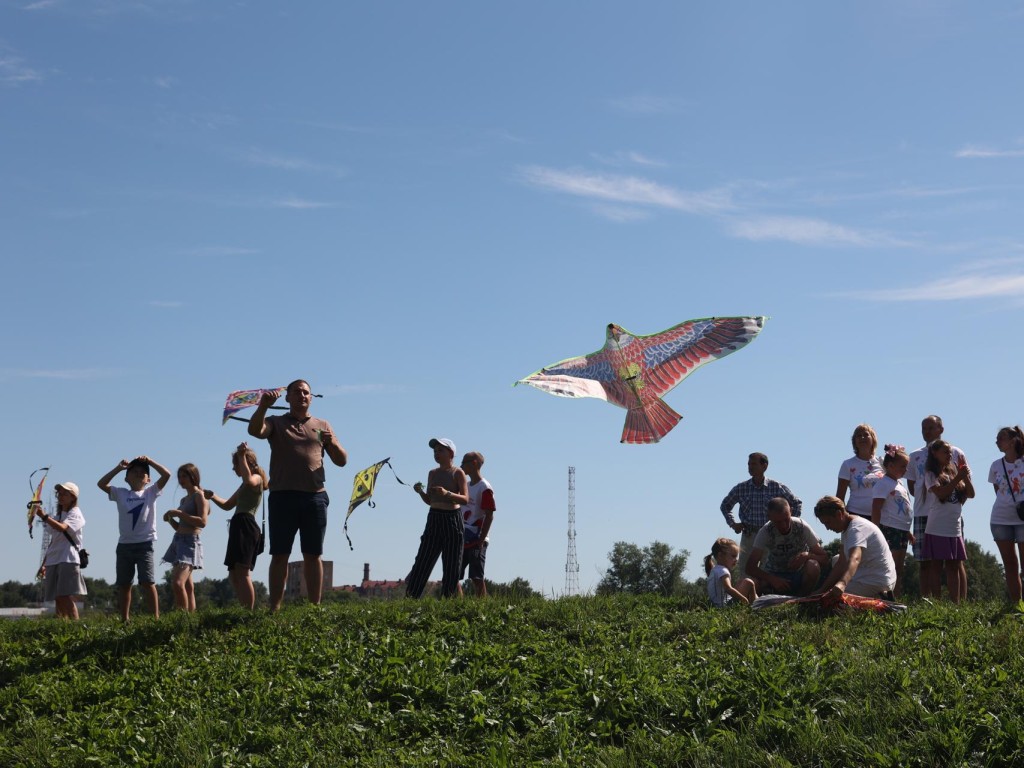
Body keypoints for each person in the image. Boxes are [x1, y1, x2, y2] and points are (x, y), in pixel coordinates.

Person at [248, 379, 348, 610]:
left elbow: (342, 460)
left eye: (306, 392)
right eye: (297, 392)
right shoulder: (276, 421)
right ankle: (275, 607)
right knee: (280, 554)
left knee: (313, 554)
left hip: (314, 497)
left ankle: (314, 608)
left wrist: (330, 443)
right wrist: (263, 406)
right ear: (288, 397)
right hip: (283, 496)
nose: (302, 395)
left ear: (311, 398)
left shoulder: (323, 425)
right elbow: (255, 430)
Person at [97, 455, 171, 621]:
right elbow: (101, 484)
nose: (138, 474)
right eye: (134, 471)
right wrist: (118, 468)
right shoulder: (121, 493)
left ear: (148, 479)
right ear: (126, 478)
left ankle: (155, 618)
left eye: (142, 472)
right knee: (124, 584)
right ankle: (125, 619)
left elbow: (167, 475)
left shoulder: (151, 492)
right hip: (124, 546)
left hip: (145, 544)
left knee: (147, 582)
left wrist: (151, 461)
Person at [907, 415, 970, 599]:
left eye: (931, 427)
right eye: (924, 428)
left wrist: (953, 504)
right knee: (925, 561)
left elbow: (966, 485)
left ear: (941, 429)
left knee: (956, 561)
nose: (926, 431)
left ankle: (961, 603)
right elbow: (912, 487)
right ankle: (928, 601)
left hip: (950, 516)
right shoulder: (914, 456)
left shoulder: (956, 452)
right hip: (922, 512)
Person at [206, 443, 268, 609]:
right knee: (234, 574)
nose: (234, 469)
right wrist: (213, 496)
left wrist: (241, 455)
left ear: (245, 463)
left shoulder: (256, 478)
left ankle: (248, 612)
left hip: (246, 525)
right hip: (238, 525)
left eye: (236, 465)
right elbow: (227, 505)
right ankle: (244, 609)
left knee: (242, 571)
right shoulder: (244, 485)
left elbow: (249, 479)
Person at [720, 453, 803, 576]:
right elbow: (725, 505)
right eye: (748, 464)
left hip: (771, 534)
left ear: (764, 466)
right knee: (745, 570)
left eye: (753, 464)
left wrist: (786, 525)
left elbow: (796, 503)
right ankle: (746, 595)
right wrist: (733, 524)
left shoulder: (776, 487)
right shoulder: (742, 488)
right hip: (749, 534)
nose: (750, 467)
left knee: (768, 570)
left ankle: (765, 595)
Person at [405, 438, 469, 598]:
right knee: (423, 560)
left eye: (441, 450)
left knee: (452, 564)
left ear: (451, 453)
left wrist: (447, 493)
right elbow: (430, 501)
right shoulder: (432, 473)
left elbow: (465, 499)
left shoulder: (457, 472)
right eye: (435, 451)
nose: (436, 454)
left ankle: (448, 602)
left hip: (452, 520)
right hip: (434, 518)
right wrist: (420, 492)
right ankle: (410, 600)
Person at [918, 439, 975, 602]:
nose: (950, 455)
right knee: (936, 565)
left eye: (950, 452)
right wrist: (958, 478)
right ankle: (936, 602)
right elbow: (941, 493)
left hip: (954, 526)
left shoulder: (954, 471)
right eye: (945, 452)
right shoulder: (930, 474)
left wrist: (965, 476)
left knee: (954, 566)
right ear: (934, 454)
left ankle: (955, 603)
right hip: (937, 525)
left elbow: (971, 494)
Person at [813, 495, 897, 601]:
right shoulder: (847, 528)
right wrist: (823, 590)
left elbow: (855, 558)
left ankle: (880, 598)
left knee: (832, 602)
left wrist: (842, 584)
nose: (827, 528)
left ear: (839, 514)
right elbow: (841, 562)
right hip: (871, 574)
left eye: (828, 522)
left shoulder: (856, 528)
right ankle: (872, 598)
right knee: (836, 559)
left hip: (877, 580)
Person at [745, 497, 830, 596]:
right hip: (775, 575)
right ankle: (767, 600)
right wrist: (772, 579)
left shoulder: (802, 527)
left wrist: (807, 556)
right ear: (769, 517)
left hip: (799, 575)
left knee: (813, 565)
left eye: (786, 519)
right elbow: (750, 567)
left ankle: (802, 598)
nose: (784, 525)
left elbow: (825, 559)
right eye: (778, 522)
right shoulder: (765, 531)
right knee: (757, 582)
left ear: (791, 511)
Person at [33, 482, 87, 620]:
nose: (61, 496)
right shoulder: (58, 516)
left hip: (68, 558)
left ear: (73, 497)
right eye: (60, 493)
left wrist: (44, 516)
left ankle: (76, 627)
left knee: (65, 596)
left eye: (65, 493)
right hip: (54, 559)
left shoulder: (75, 513)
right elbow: (53, 542)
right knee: (58, 597)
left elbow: (62, 528)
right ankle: (62, 627)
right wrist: (44, 564)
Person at [161, 463, 209, 612]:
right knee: (188, 585)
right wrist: (170, 519)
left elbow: (202, 522)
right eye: (179, 477)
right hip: (178, 540)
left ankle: (182, 617)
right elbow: (180, 526)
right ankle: (190, 617)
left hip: (190, 542)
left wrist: (180, 514)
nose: (181, 480)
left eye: (184, 476)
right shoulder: (184, 500)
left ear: (193, 477)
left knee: (177, 582)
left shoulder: (199, 496)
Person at [871, 444, 914, 599]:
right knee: (891, 566)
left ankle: (895, 596)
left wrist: (907, 532)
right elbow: (876, 507)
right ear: (890, 466)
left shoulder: (899, 484)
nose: (906, 470)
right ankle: (884, 597)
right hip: (890, 529)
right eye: (903, 466)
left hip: (901, 530)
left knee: (899, 567)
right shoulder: (883, 483)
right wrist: (875, 530)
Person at [989, 426, 1024, 602]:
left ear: (1012, 441)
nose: (997, 441)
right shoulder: (996, 466)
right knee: (1010, 565)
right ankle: (1016, 604)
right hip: (1001, 519)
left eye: (1001, 438)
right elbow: (998, 491)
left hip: (1023, 519)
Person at [458, 451, 496, 597]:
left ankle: (481, 607)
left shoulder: (484, 487)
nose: (461, 466)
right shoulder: (465, 485)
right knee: (453, 574)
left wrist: (481, 540)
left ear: (474, 463)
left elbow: (489, 515)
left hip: (477, 538)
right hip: (462, 536)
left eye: (464, 463)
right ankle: (458, 605)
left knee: (476, 576)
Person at [836, 424, 884, 519]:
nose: (862, 437)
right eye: (858, 436)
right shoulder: (848, 464)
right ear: (854, 442)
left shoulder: (882, 462)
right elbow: (839, 497)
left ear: (873, 439)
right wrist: (845, 519)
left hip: (881, 516)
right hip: (855, 515)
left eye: (866, 435)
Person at [704, 537, 757, 607]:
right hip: (725, 606)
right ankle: (756, 606)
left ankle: (759, 601)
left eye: (736, 557)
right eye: (733, 556)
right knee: (749, 582)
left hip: (717, 605)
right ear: (720, 556)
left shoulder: (714, 570)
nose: (736, 559)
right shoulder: (723, 571)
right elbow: (728, 588)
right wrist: (744, 599)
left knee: (741, 582)